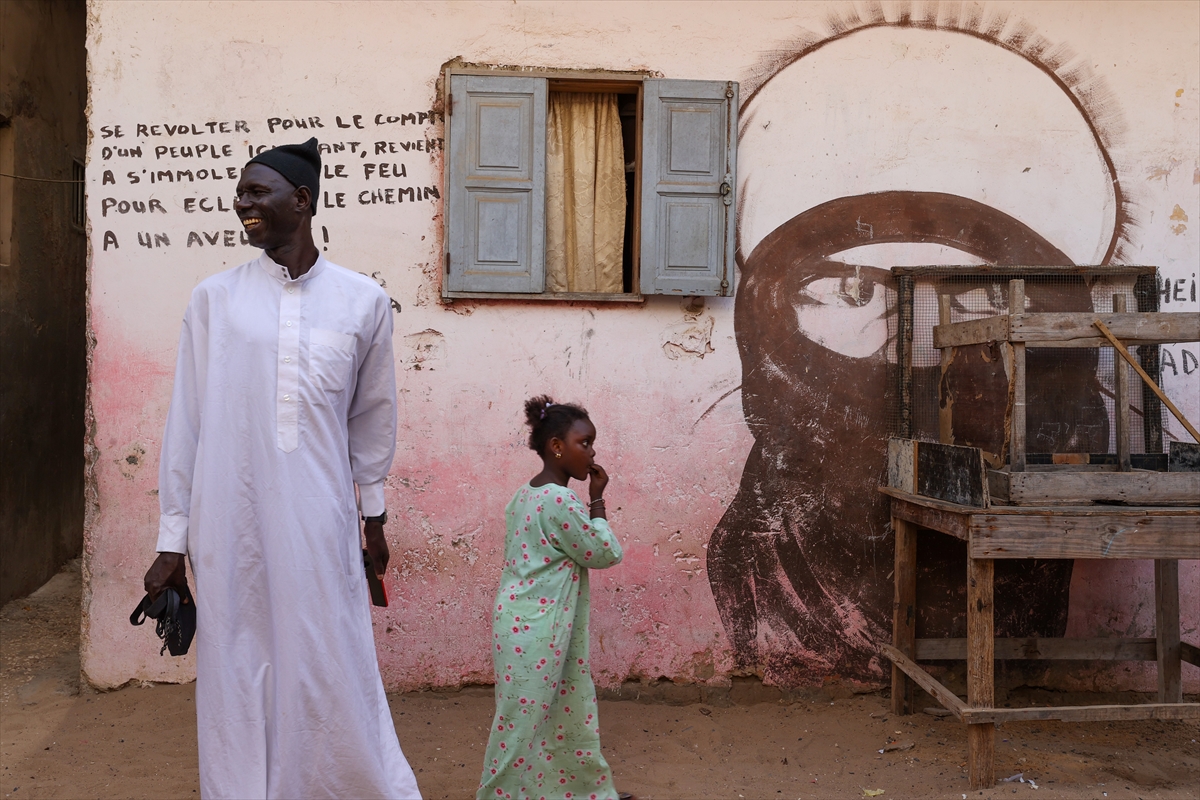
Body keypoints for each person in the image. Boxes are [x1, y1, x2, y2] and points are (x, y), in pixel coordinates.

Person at [142, 138, 421, 799]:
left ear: (301, 200)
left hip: (320, 518)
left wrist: (373, 519)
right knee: (237, 665)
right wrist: (172, 539)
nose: (242, 203)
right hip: (229, 518)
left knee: (327, 656)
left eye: (256, 191)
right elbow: (187, 422)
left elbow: (372, 420)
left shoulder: (363, 301)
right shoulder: (214, 299)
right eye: (240, 192)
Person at [477, 396, 626, 800]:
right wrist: (597, 499)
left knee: (563, 713)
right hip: (536, 631)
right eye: (585, 443)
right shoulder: (559, 501)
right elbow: (604, 552)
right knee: (522, 725)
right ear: (557, 446)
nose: (592, 453)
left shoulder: (524, 495)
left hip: (522, 623)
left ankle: (578, 790)